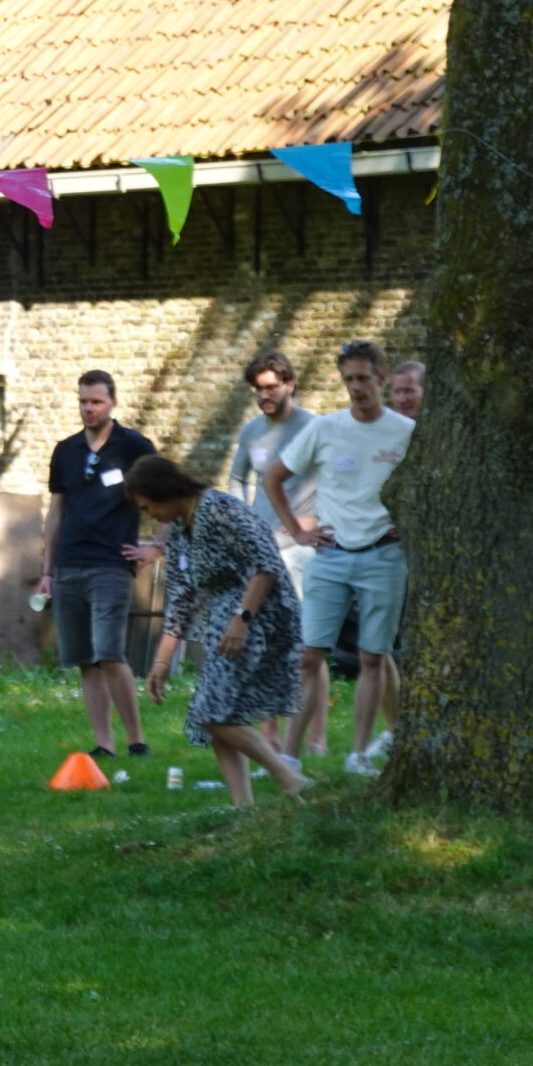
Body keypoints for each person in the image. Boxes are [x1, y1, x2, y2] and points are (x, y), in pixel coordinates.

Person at [264, 341, 414, 777]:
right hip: (330, 555)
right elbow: (274, 477)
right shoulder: (325, 429)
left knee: (373, 657)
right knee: (309, 655)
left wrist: (411, 527)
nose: (356, 387)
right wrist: (297, 531)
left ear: (381, 378)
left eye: (363, 378)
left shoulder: (406, 431)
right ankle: (290, 756)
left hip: (384, 555)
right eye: (349, 379)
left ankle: (359, 754)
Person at [132, 456, 311, 806]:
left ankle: (290, 779)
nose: (149, 514)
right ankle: (245, 808)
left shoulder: (218, 508)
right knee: (217, 713)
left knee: (212, 713)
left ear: (162, 491)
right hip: (223, 620)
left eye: (147, 505)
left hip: (260, 613)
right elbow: (181, 600)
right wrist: (161, 663)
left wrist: (241, 619)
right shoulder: (178, 532)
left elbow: (266, 564)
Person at [35, 371, 159, 761]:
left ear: (112, 403)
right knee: (85, 659)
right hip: (69, 565)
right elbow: (56, 512)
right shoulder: (66, 451)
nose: (88, 408)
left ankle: (136, 740)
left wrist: (156, 547)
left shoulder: (134, 446)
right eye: (83, 401)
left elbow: (169, 493)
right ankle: (104, 744)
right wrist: (47, 571)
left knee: (108, 651)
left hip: (111, 565)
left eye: (96, 402)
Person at [229, 348, 323, 751]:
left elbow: (333, 479)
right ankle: (270, 736)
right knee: (266, 643)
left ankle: (316, 737)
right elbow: (237, 479)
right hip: (261, 552)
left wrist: (314, 521)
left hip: (302, 551)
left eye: (271, 387)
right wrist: (243, 523)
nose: (264, 395)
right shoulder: (251, 431)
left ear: (290, 385)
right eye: (258, 389)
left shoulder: (313, 427)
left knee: (309, 645)